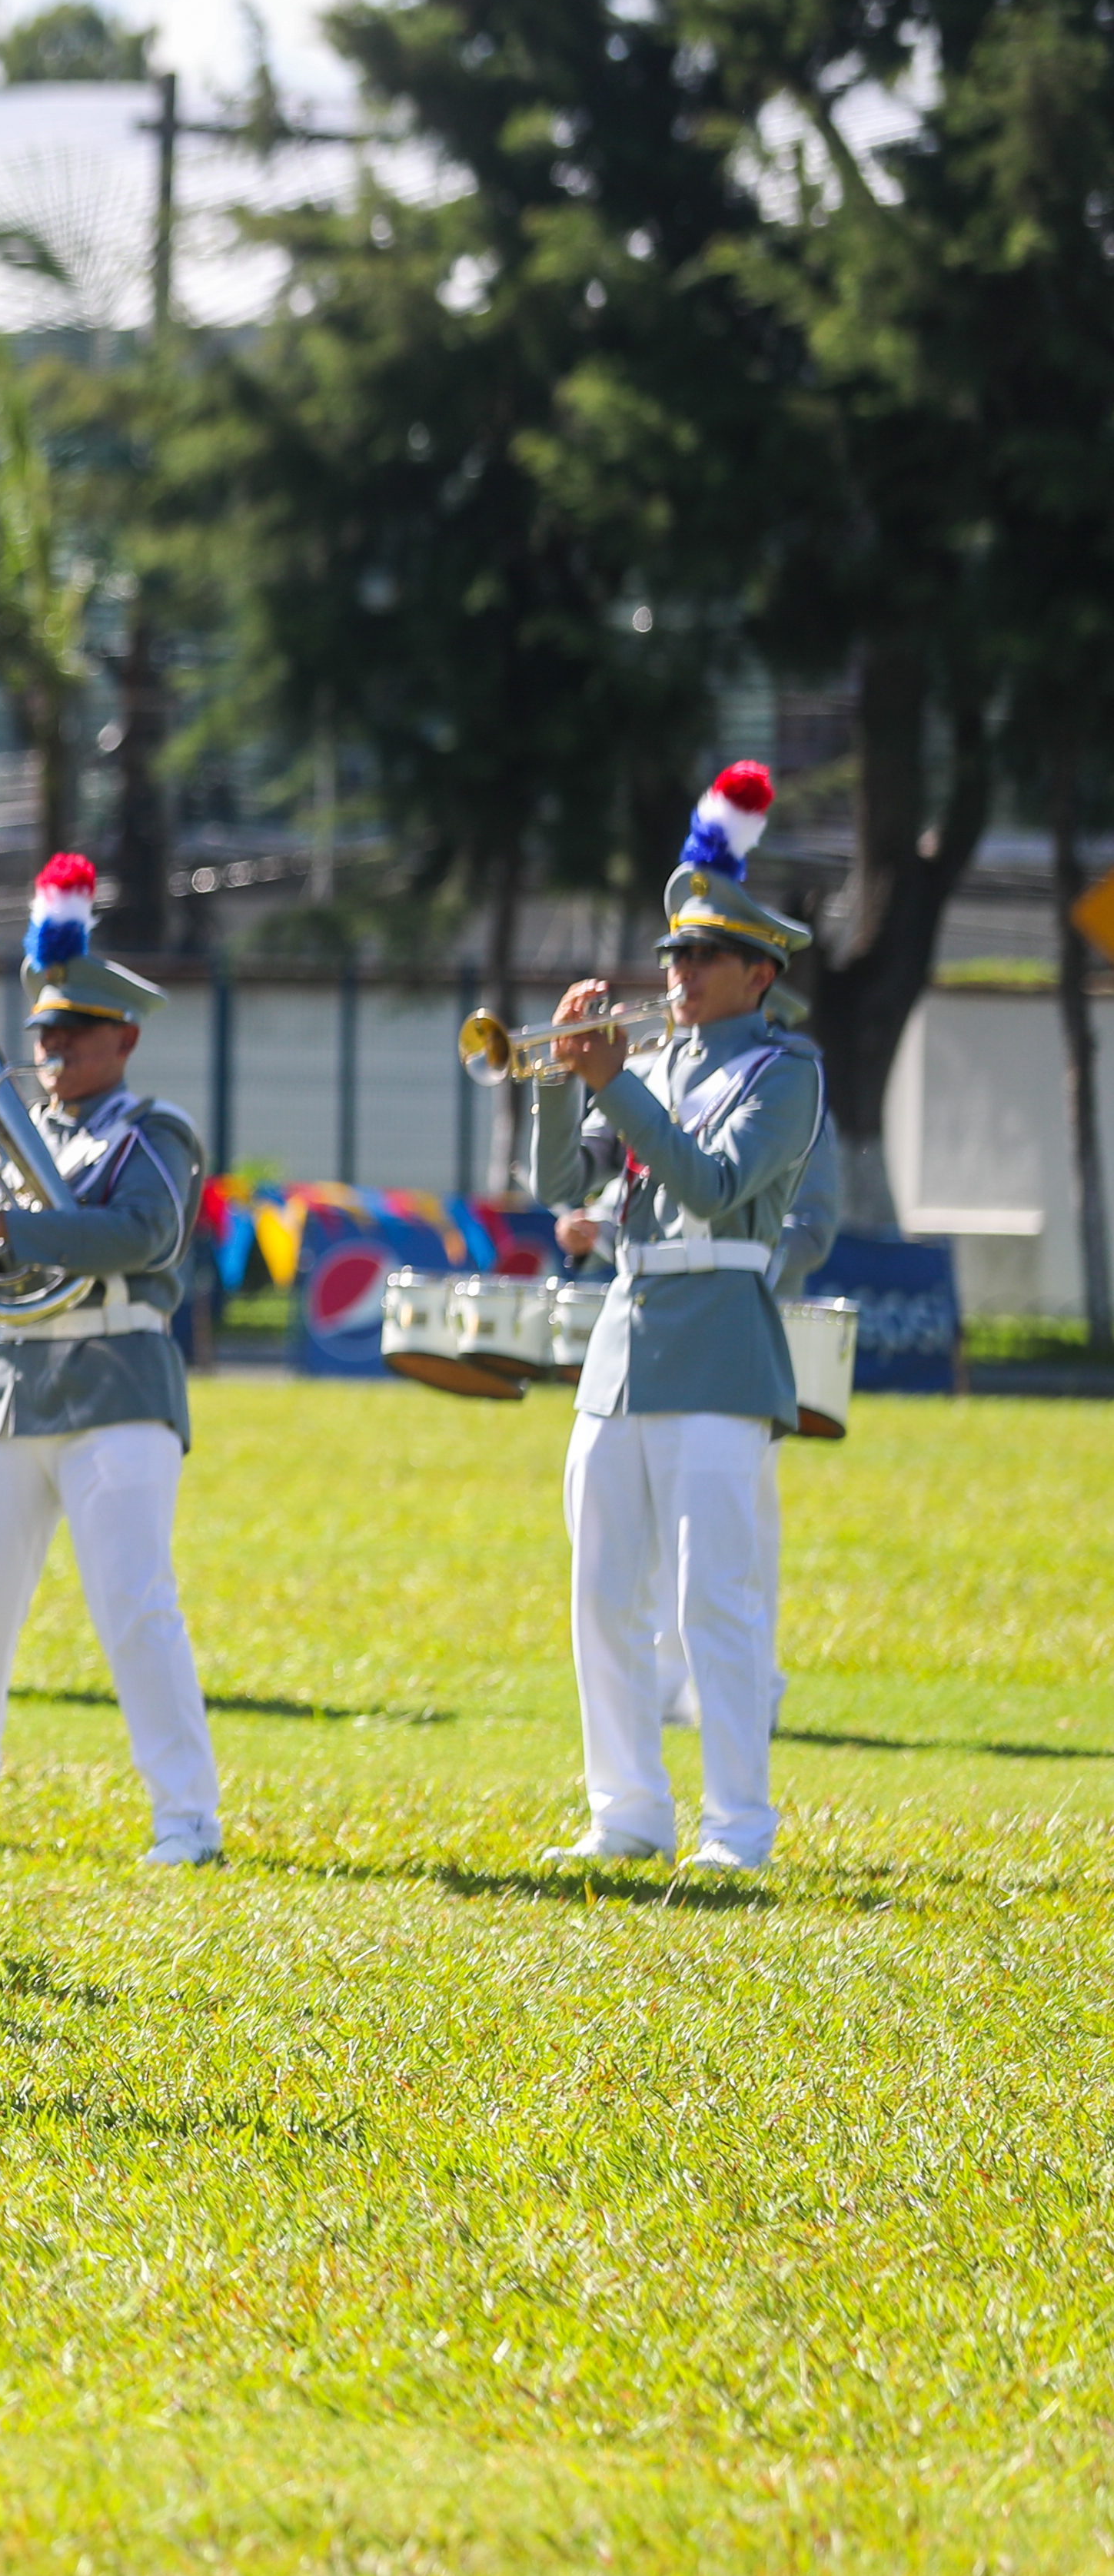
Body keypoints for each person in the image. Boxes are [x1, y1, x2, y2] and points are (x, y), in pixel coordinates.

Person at [0, 854, 225, 1867]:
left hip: (117, 1381)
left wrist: (15, 1230)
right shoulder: (11, 1132)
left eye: (74, 1032)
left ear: (125, 1038)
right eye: (42, 1032)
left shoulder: (150, 1132)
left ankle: (186, 1817)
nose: (53, 1047)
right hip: (3, 1385)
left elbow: (145, 1235)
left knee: (133, 1606)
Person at [530, 763, 824, 1875]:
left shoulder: (785, 1072)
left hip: (718, 1341)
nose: (677, 972)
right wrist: (565, 1081)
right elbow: (564, 1182)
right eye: (672, 954)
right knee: (601, 1593)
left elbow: (708, 1182)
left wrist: (617, 1084)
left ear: (760, 972)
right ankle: (628, 1811)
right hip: (624, 1343)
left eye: (702, 956)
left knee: (719, 1605)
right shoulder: (646, 1063)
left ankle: (738, 1828)